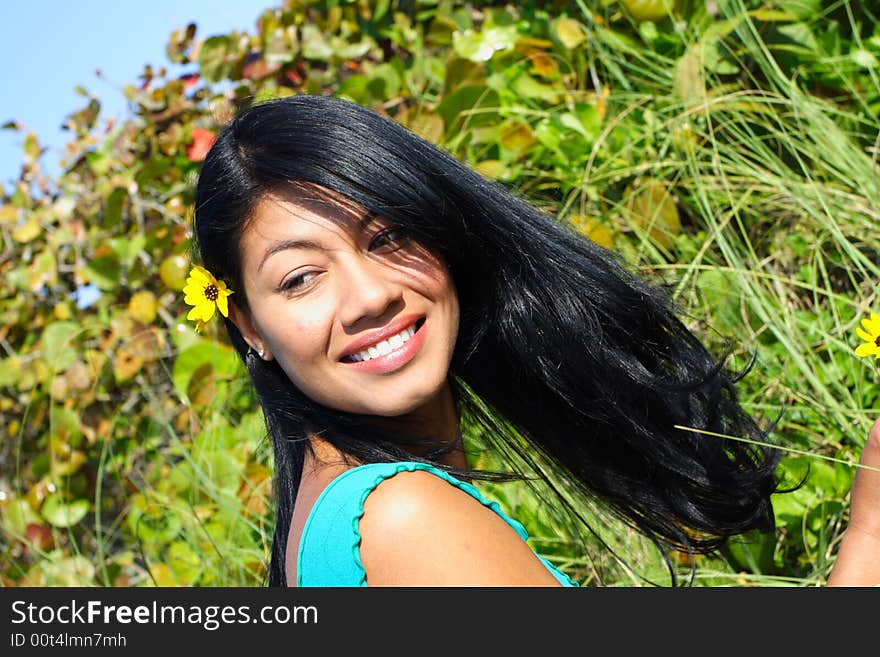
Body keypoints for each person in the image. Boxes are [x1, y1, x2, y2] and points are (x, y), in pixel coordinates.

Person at [189, 93, 880, 587]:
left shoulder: (334, 524)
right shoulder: (397, 517)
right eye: (302, 277)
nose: (370, 295)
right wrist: (871, 536)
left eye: (390, 236)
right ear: (250, 326)